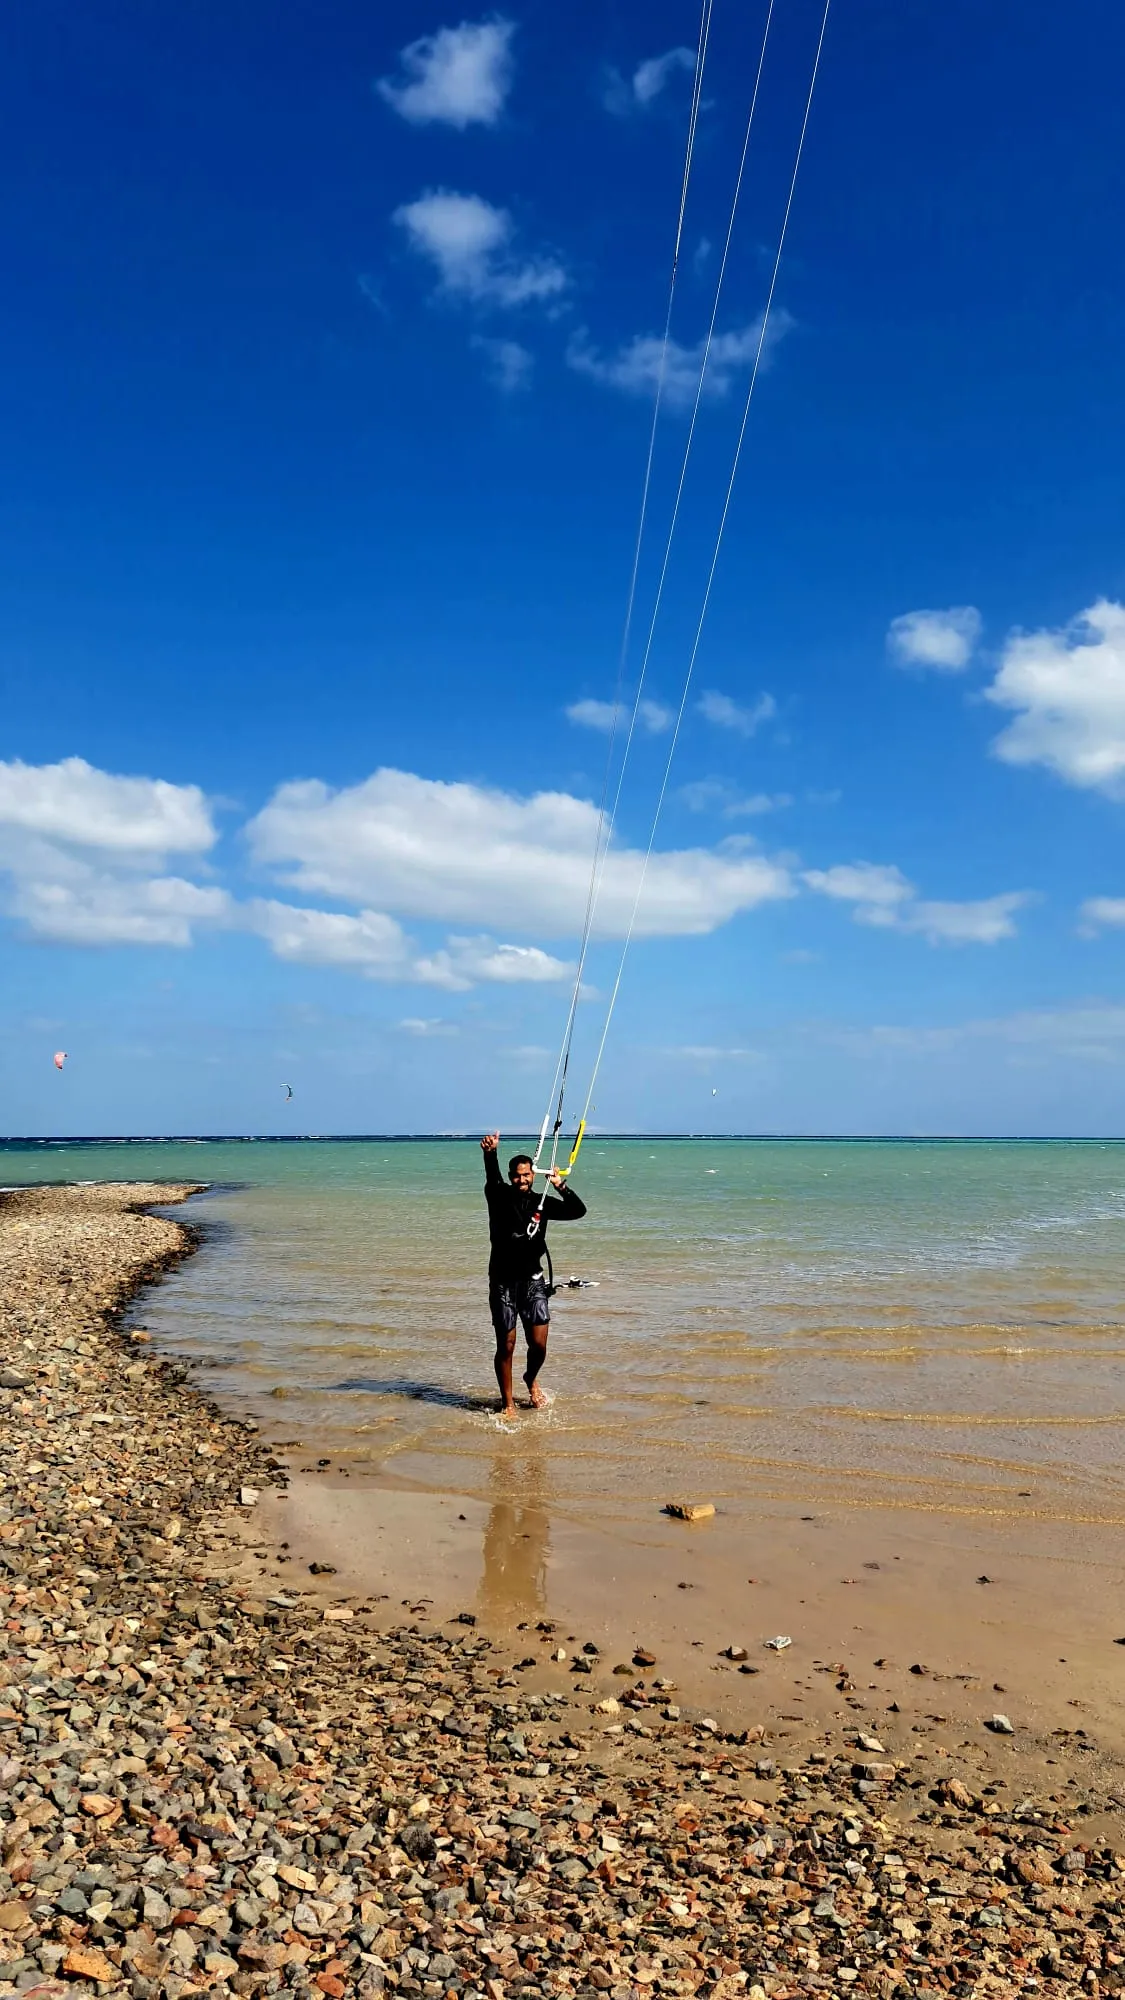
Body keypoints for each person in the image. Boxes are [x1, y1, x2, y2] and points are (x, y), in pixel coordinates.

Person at [480, 1132, 587, 1416]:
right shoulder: (499, 1196)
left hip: (533, 1281)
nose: (522, 1180)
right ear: (510, 1176)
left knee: (538, 1345)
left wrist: (560, 1185)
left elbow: (578, 1211)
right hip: (503, 1281)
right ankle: (508, 1402)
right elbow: (492, 1177)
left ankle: (530, 1378)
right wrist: (490, 1153)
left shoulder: (543, 1202)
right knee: (507, 1344)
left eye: (527, 1175)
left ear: (533, 1175)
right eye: (517, 1175)